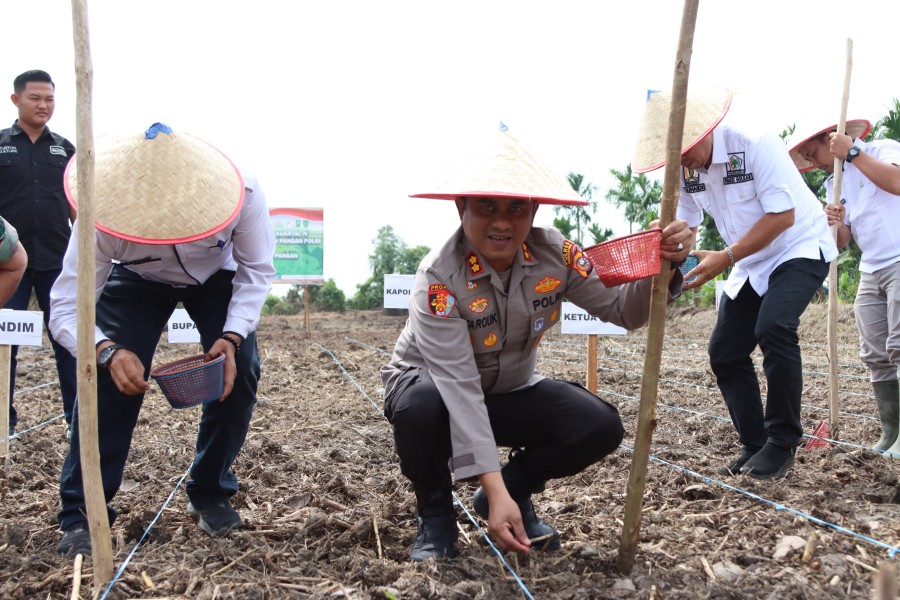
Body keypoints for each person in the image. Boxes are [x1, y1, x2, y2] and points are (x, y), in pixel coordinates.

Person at [380, 124, 692, 561]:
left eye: (517, 207)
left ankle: (511, 492)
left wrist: (665, 267)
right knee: (423, 405)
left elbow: (624, 311)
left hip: (509, 390)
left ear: (535, 209)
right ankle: (434, 514)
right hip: (433, 387)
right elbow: (459, 386)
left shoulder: (558, 255)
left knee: (597, 424)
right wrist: (489, 478)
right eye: (486, 206)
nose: (503, 222)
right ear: (460, 207)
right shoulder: (438, 279)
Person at [49, 123, 275, 556]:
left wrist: (231, 336)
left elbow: (257, 270)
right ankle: (83, 510)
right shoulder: (102, 212)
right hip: (138, 277)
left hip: (215, 277)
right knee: (106, 380)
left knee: (239, 370)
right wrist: (105, 349)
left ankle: (209, 489)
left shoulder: (242, 191)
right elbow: (65, 306)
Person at [632, 89, 838, 480]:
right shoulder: (684, 169)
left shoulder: (755, 145)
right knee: (725, 352)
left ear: (706, 128)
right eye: (672, 154)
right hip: (750, 259)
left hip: (800, 245)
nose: (682, 159)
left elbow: (782, 218)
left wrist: (725, 258)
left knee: (774, 327)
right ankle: (755, 444)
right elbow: (687, 226)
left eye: (687, 147)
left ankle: (781, 442)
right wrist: (674, 238)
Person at [789, 117, 900, 458]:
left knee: (899, 345)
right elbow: (841, 243)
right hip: (872, 267)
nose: (814, 162)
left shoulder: (883, 150)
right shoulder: (834, 184)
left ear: (831, 138)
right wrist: (833, 224)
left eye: (814, 152)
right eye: (807, 158)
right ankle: (891, 432)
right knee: (875, 354)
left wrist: (853, 153)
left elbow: (897, 182)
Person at [0, 70, 78, 435]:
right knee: (5, 341)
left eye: (49, 98)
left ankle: (75, 419)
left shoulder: (65, 149)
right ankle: (4, 420)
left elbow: (78, 206)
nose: (43, 105)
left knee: (67, 338)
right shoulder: (1, 144)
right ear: (16, 100)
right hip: (8, 263)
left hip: (56, 260)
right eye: (35, 98)